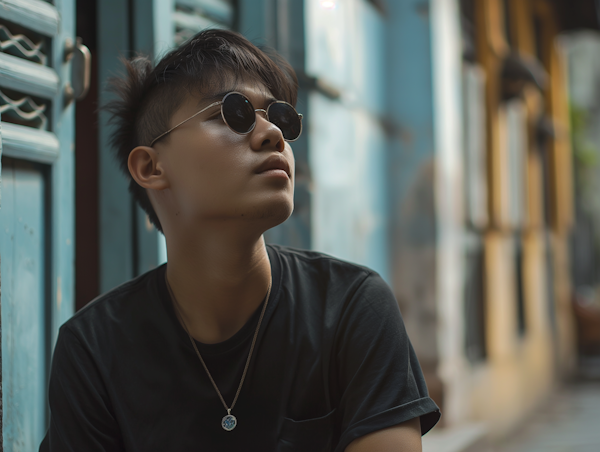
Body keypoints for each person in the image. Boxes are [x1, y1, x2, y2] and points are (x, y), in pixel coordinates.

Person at [40, 29, 440, 452]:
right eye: (233, 113)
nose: (273, 135)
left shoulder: (351, 308)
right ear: (152, 167)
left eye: (280, 118)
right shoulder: (94, 350)